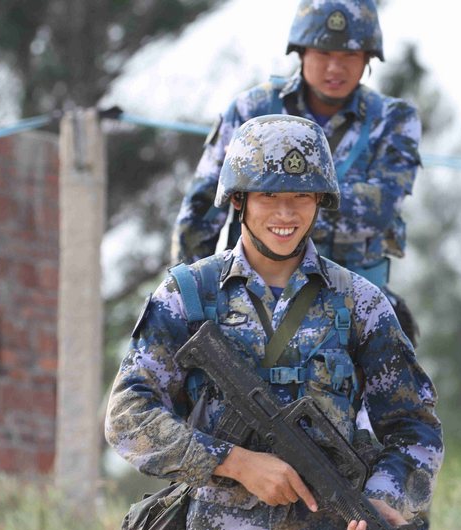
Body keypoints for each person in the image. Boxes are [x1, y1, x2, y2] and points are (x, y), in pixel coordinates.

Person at [107, 115, 442, 530]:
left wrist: (382, 499)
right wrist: (235, 462)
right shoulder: (188, 296)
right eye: (267, 196)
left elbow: (416, 428)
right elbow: (127, 418)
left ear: (320, 202)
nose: (285, 213)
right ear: (238, 200)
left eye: (301, 197)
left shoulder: (360, 303)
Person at [171, 0, 423, 347]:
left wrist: (267, 193)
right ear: (301, 51)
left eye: (349, 56)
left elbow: (377, 214)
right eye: (323, 53)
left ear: (368, 58)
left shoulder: (392, 120)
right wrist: (191, 301)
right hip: (247, 299)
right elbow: (203, 207)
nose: (335, 67)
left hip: (350, 305)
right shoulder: (253, 109)